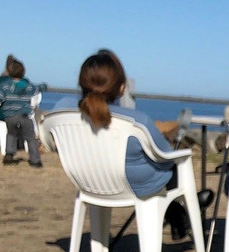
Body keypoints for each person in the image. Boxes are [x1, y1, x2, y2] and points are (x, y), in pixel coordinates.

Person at [51, 51, 202, 238]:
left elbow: (52, 142)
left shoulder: (62, 109)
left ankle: (178, 214)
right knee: (174, 167)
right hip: (133, 185)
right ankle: (183, 210)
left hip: (87, 180)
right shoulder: (136, 121)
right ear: (122, 88)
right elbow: (165, 155)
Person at [1, 54, 47, 166]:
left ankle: (9, 155)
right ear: (23, 72)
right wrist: (43, 86)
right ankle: (35, 160)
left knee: (11, 134)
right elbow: (36, 89)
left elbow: (1, 97)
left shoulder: (5, 86)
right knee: (30, 137)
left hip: (9, 116)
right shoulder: (27, 85)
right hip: (24, 115)